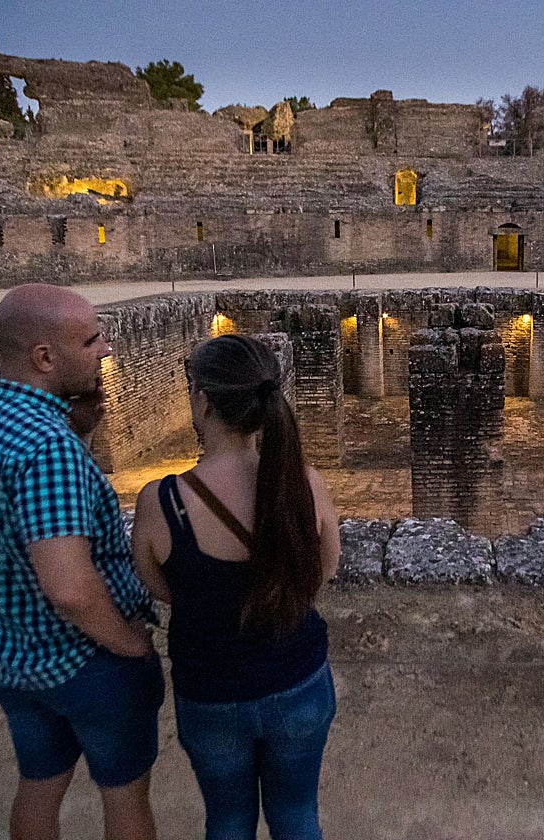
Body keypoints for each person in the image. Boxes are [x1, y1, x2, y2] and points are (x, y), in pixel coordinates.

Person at [0, 283, 163, 840]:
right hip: (88, 662)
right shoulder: (46, 447)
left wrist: (78, 431)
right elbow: (69, 588)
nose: (105, 349)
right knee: (125, 797)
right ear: (44, 357)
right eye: (90, 341)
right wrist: (130, 645)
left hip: (13, 659)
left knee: (38, 787)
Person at [131, 334, 341, 840]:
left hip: (212, 691)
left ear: (203, 401)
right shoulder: (305, 484)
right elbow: (324, 568)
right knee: (297, 816)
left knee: (227, 821)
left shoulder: (162, 502)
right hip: (297, 679)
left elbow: (157, 583)